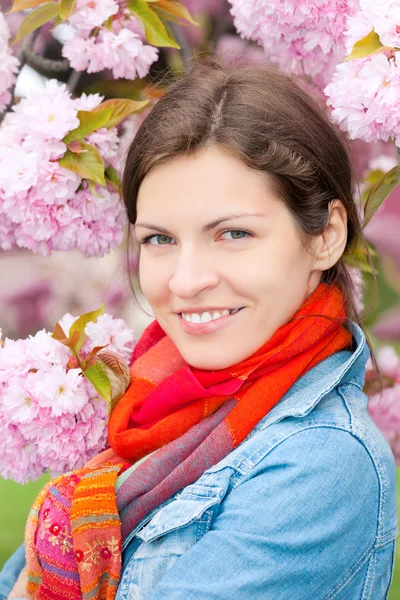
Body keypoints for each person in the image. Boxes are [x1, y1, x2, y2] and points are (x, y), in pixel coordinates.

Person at [1, 58, 398, 600]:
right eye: (160, 240)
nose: (185, 282)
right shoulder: (147, 409)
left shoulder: (321, 464)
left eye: (233, 233)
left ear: (325, 235)